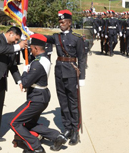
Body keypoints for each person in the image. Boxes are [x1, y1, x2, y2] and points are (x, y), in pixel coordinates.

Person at [10, 34, 67, 153]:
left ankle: (35, 147)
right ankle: (57, 136)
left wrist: (25, 70)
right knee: (30, 124)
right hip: (42, 95)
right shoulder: (44, 58)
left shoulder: (37, 64)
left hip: (36, 97)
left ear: (36, 48)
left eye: (31, 48)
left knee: (14, 122)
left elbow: (25, 82)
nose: (30, 50)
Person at [43, 10, 86, 145]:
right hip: (59, 72)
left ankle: (75, 131)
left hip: (72, 73)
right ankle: (67, 128)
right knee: (63, 102)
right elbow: (44, 38)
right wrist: (29, 32)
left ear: (69, 23)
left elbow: (82, 58)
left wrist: (82, 77)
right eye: (59, 22)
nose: (60, 24)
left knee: (73, 103)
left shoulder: (77, 38)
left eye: (63, 22)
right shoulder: (57, 37)